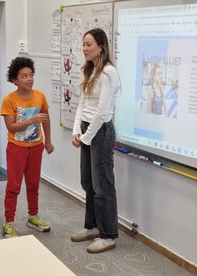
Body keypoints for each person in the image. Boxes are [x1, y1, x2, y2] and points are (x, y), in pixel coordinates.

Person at [71, 28, 120, 254]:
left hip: (100, 132)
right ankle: (92, 227)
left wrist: (86, 137)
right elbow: (82, 104)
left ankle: (108, 235)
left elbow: (101, 111)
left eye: (88, 44)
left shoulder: (109, 73)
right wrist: (76, 131)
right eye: (83, 44)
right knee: (88, 183)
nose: (84, 48)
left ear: (101, 46)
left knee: (103, 187)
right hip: (87, 131)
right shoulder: (91, 71)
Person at [0, 57, 54, 238]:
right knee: (14, 186)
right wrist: (32, 120)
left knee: (33, 184)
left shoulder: (40, 96)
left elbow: (46, 119)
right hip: (17, 147)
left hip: (36, 147)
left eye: (31, 75)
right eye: (24, 76)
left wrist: (48, 141)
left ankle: (33, 217)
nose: (29, 79)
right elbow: (11, 127)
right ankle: (9, 222)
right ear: (15, 80)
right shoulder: (9, 100)